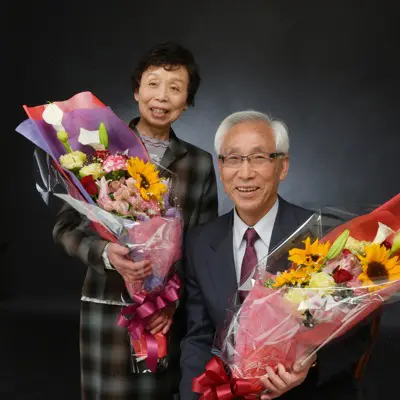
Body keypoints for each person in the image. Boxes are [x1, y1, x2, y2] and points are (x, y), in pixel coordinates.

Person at [53, 42, 218, 399]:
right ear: (136, 90)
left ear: (187, 101)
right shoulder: (98, 152)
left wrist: (171, 300)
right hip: (106, 309)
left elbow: (204, 246)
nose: (162, 96)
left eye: (175, 88)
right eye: (153, 83)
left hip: (163, 316)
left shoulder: (199, 164)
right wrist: (105, 254)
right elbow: (64, 228)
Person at [179, 111, 371, 400]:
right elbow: (199, 337)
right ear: (221, 167)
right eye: (234, 158)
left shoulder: (321, 235)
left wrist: (310, 363)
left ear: (283, 167)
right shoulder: (200, 242)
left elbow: (358, 329)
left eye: (259, 158)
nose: (245, 173)